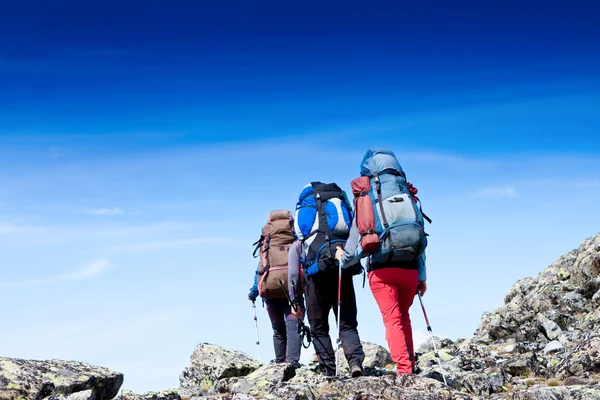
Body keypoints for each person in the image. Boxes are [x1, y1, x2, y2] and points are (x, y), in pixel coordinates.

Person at [335, 148, 428, 376]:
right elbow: (421, 235)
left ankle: (404, 370)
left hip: (382, 271)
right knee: (404, 316)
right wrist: (422, 276)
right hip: (410, 269)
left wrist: (341, 258)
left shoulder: (367, 201)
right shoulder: (408, 195)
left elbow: (353, 249)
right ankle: (411, 364)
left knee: (392, 319)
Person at [288, 185, 366, 378]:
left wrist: (294, 299)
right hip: (342, 268)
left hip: (316, 275)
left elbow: (293, 269)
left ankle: (329, 371)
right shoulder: (340, 205)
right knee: (347, 323)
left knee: (319, 326)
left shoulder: (304, 212)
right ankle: (355, 363)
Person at [248, 265, 304, 367]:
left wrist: (252, 294)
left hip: (271, 296)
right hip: (294, 295)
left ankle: (280, 363)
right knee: (294, 328)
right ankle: (292, 363)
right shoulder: (295, 249)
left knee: (278, 330)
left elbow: (259, 276)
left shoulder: (266, 250)